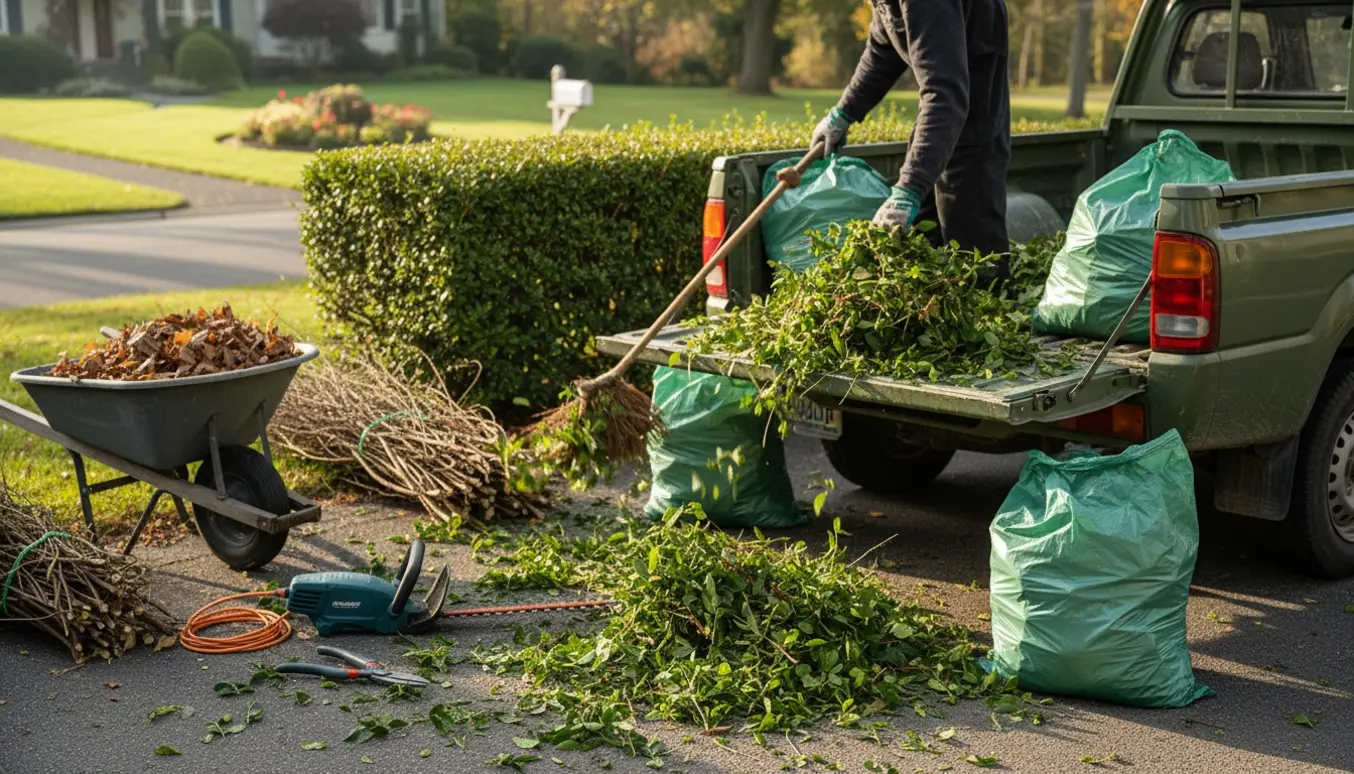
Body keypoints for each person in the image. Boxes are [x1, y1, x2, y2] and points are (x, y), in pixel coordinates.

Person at [811, 0, 1012, 277]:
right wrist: (844, 112)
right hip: (939, 122)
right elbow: (884, 49)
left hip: (974, 122)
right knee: (922, 248)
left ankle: (990, 313)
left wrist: (909, 188)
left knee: (975, 261)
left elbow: (945, 96)